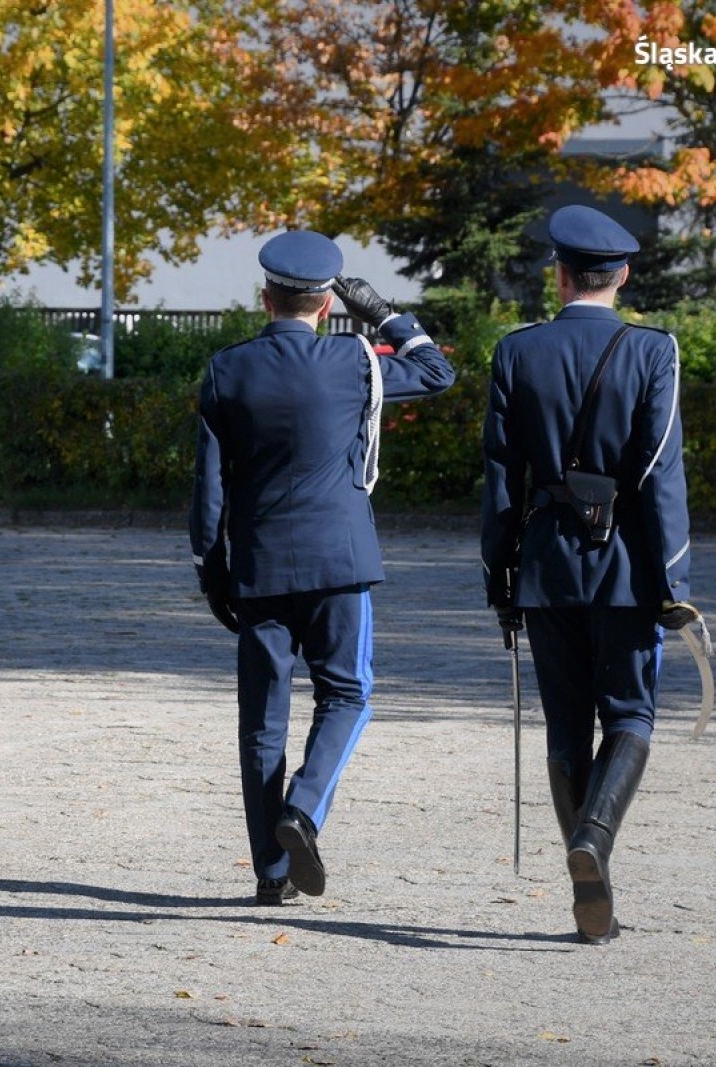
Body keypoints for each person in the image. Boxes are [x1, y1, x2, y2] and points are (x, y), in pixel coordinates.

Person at [189, 230, 455, 906]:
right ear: (327, 303)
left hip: (259, 564)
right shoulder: (353, 360)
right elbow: (435, 370)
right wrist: (384, 313)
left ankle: (270, 873)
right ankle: (303, 810)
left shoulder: (228, 370)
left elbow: (208, 490)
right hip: (339, 561)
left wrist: (210, 567)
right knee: (347, 695)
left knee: (261, 723)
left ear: (265, 296)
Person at [480, 204, 694, 944]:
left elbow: (501, 483)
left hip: (543, 566)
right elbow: (661, 474)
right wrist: (675, 581)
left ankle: (587, 883)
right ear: (623, 275)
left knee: (566, 728)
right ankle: (594, 840)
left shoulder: (516, 352)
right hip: (629, 568)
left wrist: (497, 575)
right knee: (631, 715)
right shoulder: (653, 350)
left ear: (560, 275)